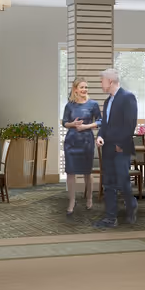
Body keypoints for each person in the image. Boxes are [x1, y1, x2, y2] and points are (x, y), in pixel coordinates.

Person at [93, 66, 139, 229]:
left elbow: (130, 123)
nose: (101, 84)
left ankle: (131, 204)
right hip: (108, 149)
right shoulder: (107, 102)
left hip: (121, 149)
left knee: (123, 181)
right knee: (109, 183)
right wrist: (100, 136)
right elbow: (105, 124)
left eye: (102, 81)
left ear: (110, 81)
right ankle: (111, 218)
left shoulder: (128, 97)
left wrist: (121, 144)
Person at [61, 78, 100, 216]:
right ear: (75, 89)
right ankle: (71, 201)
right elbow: (64, 122)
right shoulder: (69, 105)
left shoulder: (93, 104)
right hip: (71, 142)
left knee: (87, 172)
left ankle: (89, 198)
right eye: (82, 87)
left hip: (86, 142)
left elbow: (100, 121)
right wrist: (73, 124)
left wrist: (86, 126)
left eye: (86, 87)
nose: (84, 90)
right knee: (70, 173)